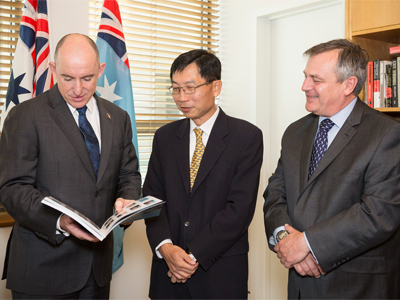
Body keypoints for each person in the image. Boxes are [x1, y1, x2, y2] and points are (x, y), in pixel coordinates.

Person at [0, 33, 141, 299]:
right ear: (53, 69)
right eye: (67, 78)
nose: (78, 89)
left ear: (100, 70)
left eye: (87, 78)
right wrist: (60, 222)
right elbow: (13, 189)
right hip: (42, 271)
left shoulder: (118, 117)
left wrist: (128, 199)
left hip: (97, 271)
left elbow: (128, 174)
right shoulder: (26, 116)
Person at [263, 39, 400, 299]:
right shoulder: (294, 132)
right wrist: (285, 239)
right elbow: (274, 195)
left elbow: (379, 213)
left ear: (349, 85)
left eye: (316, 79)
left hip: (357, 287)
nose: (305, 86)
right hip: (301, 285)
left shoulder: (387, 134)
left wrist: (307, 244)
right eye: (305, 77)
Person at [143, 49, 263, 299]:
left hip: (220, 275)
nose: (182, 97)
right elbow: (152, 200)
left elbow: (239, 210)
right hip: (167, 274)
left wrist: (190, 257)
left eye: (190, 87)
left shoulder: (246, 137)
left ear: (216, 87)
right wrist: (166, 249)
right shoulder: (164, 137)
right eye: (175, 89)